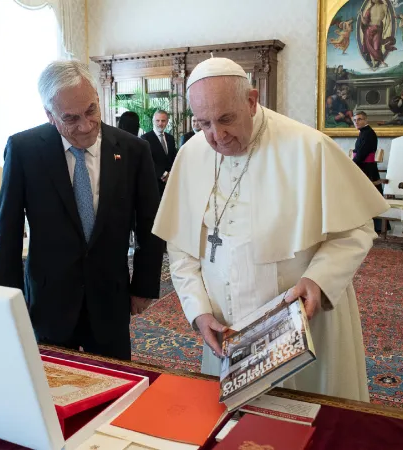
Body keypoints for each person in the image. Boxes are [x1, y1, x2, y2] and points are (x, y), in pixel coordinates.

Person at [152, 57, 389, 402]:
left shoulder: (308, 147)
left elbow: (355, 230)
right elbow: (182, 248)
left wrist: (319, 280)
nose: (216, 136)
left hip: (301, 321)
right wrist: (198, 311)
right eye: (203, 123)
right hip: (225, 327)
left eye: (226, 119)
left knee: (308, 421)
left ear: (251, 100)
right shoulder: (191, 154)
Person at [0, 60, 164, 360]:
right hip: (49, 299)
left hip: (110, 295)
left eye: (90, 111)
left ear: (98, 99)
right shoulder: (24, 150)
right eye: (70, 118)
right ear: (50, 115)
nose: (85, 126)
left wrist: (144, 286)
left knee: (115, 384)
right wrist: (8, 300)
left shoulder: (133, 149)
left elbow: (149, 223)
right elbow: (6, 231)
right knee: (52, 389)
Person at [352, 111, 385, 233]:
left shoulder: (368, 133)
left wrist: (351, 164)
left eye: (359, 119)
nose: (357, 122)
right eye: (355, 120)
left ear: (366, 120)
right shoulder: (363, 132)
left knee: (372, 198)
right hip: (364, 167)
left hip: (367, 169)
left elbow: (361, 154)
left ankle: (377, 227)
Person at [141, 110, 177, 196]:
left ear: (167, 122)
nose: (160, 123)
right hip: (154, 183)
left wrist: (171, 174)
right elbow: (147, 160)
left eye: (163, 121)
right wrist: (164, 174)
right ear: (153, 121)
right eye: (157, 120)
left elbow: (174, 158)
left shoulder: (170, 138)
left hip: (170, 182)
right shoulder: (145, 138)